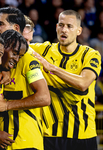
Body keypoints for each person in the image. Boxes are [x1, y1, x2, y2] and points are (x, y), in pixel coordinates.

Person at [28, 10, 101, 150]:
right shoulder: (44, 50)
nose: (64, 30)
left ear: (79, 31)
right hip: (50, 135)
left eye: (69, 26)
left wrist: (51, 68)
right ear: (56, 27)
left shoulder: (90, 54)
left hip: (83, 135)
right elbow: (17, 48)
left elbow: (83, 83)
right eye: (61, 25)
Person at [0, 7, 51, 150]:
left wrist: (7, 105)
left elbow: (44, 97)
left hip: (25, 141)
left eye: (0, 24)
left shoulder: (27, 59)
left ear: (15, 28)